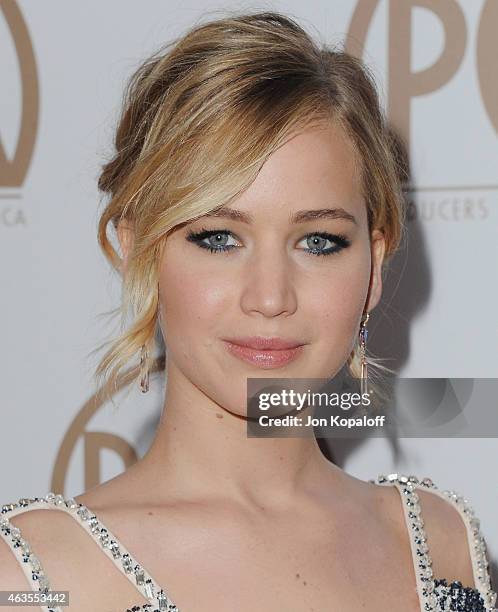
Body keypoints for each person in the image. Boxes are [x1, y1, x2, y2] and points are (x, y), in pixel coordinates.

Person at [0, 10, 496, 612]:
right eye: (218, 238)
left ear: (374, 265)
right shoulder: (38, 574)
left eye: (318, 241)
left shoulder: (440, 543)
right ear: (140, 254)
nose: (270, 298)